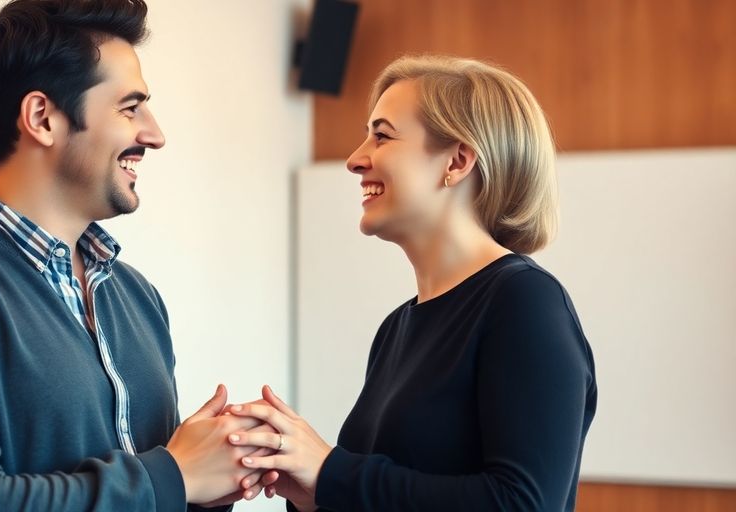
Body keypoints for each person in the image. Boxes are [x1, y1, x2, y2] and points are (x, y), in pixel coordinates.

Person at [0, 1, 270, 510]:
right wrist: (172, 476)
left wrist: (218, 476)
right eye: (130, 108)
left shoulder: (137, 297)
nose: (154, 134)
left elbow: (155, 495)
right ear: (42, 117)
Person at [226, 55, 598, 511]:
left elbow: (520, 504)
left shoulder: (524, 301)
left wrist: (330, 472)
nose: (355, 159)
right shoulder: (396, 329)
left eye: (381, 135)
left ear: (457, 160)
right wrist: (311, 492)